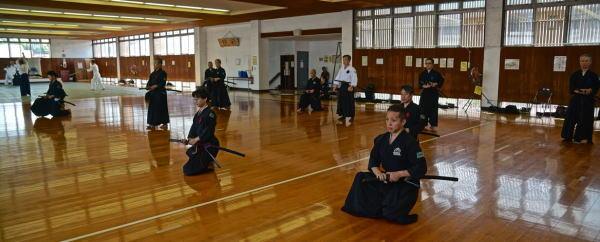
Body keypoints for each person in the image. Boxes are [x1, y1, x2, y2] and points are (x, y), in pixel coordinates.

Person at [342, 104, 427, 224]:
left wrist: (398, 174)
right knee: (360, 177)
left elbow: (421, 167)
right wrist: (377, 173)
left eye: (393, 120)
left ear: (403, 122)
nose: (389, 124)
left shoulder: (411, 143)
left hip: (405, 184)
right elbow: (373, 161)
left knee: (390, 215)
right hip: (386, 179)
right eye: (387, 119)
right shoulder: (381, 139)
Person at [561, 54, 599, 144]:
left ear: (590, 62)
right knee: (571, 118)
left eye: (586, 61)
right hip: (576, 100)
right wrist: (579, 91)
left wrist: (590, 90)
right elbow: (571, 88)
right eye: (582, 61)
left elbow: (596, 88)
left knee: (586, 119)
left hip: (588, 101)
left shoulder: (594, 75)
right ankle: (567, 136)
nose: (584, 63)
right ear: (579, 62)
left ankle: (583, 138)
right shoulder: (574, 74)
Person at [183, 87, 220, 176]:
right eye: (195, 99)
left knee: (190, 171)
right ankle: (207, 162)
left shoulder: (210, 114)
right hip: (200, 144)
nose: (196, 101)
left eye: (198, 99)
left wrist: (196, 139)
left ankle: (208, 162)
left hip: (209, 144)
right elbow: (194, 128)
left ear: (205, 99)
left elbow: (209, 131)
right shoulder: (198, 114)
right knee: (186, 167)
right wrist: (190, 138)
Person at [418, 58, 444, 132]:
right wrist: (424, 86)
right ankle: (423, 124)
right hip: (425, 94)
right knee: (423, 109)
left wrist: (435, 84)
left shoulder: (437, 73)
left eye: (429, 63)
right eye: (426, 63)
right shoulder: (422, 73)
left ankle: (433, 125)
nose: (427, 65)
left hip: (433, 94)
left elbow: (441, 82)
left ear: (432, 64)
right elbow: (420, 84)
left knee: (433, 109)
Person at [334, 55, 358, 126]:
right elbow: (338, 77)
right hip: (342, 86)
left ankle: (351, 116)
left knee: (349, 102)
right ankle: (344, 115)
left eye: (345, 60)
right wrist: (335, 85)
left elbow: (354, 78)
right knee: (341, 101)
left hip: (349, 86)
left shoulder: (352, 69)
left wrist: (352, 86)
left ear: (349, 60)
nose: (344, 61)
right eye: (343, 59)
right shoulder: (341, 68)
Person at [146, 58, 170, 130]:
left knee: (161, 109)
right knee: (152, 109)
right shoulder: (152, 74)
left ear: (160, 64)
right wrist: (148, 86)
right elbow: (149, 82)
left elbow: (162, 83)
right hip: (153, 94)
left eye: (156, 63)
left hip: (160, 93)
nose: (154, 64)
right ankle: (152, 124)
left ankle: (165, 124)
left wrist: (155, 86)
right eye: (154, 63)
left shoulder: (163, 73)